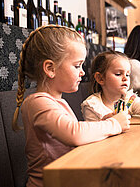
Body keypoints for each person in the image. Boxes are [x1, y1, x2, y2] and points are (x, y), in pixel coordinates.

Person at [12, 25, 130, 187]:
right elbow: (74, 134)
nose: (82, 72)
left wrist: (102, 122)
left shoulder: (58, 102)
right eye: (77, 66)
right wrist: (114, 124)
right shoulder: (37, 103)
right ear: (50, 69)